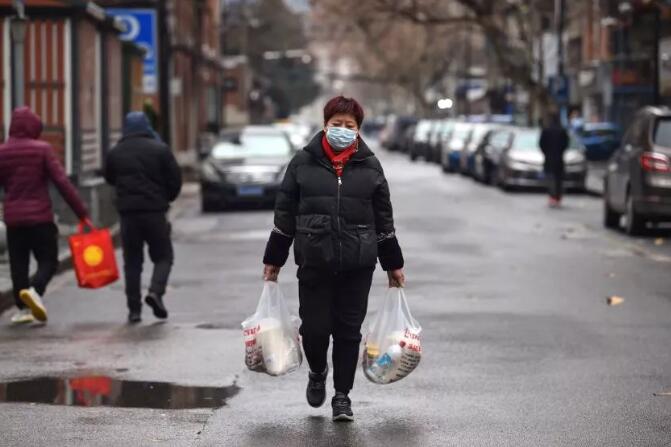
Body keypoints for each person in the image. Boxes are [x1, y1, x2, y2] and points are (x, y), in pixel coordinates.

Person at [262, 96, 405, 422]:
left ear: (358, 130)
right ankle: (317, 370)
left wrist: (393, 264)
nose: (342, 130)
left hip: (358, 264)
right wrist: (274, 259)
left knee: (347, 332)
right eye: (336, 124)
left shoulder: (370, 165)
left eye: (349, 126)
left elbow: (384, 220)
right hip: (314, 261)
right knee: (314, 329)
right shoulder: (302, 163)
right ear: (325, 125)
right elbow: (285, 215)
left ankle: (342, 396)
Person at [0, 107, 90, 325]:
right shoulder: (43, 150)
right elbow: (62, 183)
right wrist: (82, 213)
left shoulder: (2, 151)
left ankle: (23, 309)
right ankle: (35, 290)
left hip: (14, 219)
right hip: (41, 218)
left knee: (18, 265)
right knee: (49, 260)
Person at [104, 112, 182, 324]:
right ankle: (155, 292)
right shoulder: (160, 149)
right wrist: (167, 198)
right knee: (164, 256)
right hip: (155, 212)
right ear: (147, 126)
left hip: (128, 215)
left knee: (132, 263)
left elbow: (109, 177)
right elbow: (175, 179)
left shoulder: (116, 152)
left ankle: (134, 310)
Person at [539, 113, 569, 208]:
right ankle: (557, 197)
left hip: (549, 158)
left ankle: (552, 197)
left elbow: (541, 143)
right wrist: (561, 151)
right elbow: (566, 143)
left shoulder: (546, 130)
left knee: (551, 179)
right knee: (558, 179)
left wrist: (546, 152)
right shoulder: (562, 131)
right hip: (559, 158)